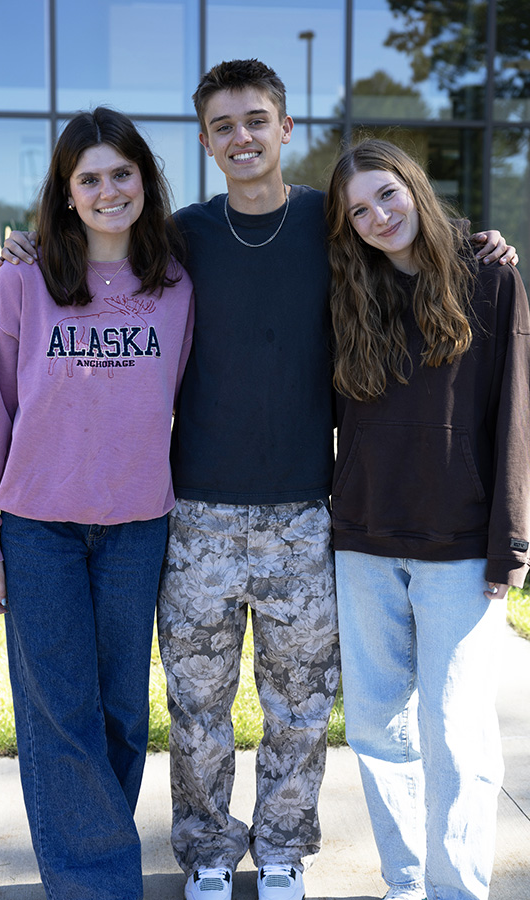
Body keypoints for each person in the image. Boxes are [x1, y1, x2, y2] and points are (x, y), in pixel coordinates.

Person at [0, 60, 517, 900]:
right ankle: (205, 853)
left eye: (257, 120)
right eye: (224, 126)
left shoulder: (328, 224)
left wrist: (478, 237)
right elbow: (94, 240)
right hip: (196, 514)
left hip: (308, 515)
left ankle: (280, 853)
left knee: (300, 707)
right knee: (197, 708)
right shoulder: (183, 238)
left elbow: (403, 229)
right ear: (205, 142)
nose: (242, 136)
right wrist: (26, 239)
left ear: (284, 128)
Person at [0, 106, 194, 900]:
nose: (107, 189)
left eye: (121, 172)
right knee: (60, 713)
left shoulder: (177, 284)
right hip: (38, 527)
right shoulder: (22, 281)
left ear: (143, 181)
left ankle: (94, 857)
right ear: (65, 192)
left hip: (136, 527)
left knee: (122, 711)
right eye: (88, 178)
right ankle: (99, 885)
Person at [325, 138, 530, 900]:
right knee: (378, 731)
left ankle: (456, 890)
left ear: (415, 186)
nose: (379, 216)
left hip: (458, 546)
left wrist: (511, 540)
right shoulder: (348, 293)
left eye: (387, 194)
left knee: (457, 736)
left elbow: (515, 416)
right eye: (358, 210)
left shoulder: (491, 279)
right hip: (365, 541)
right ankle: (406, 884)